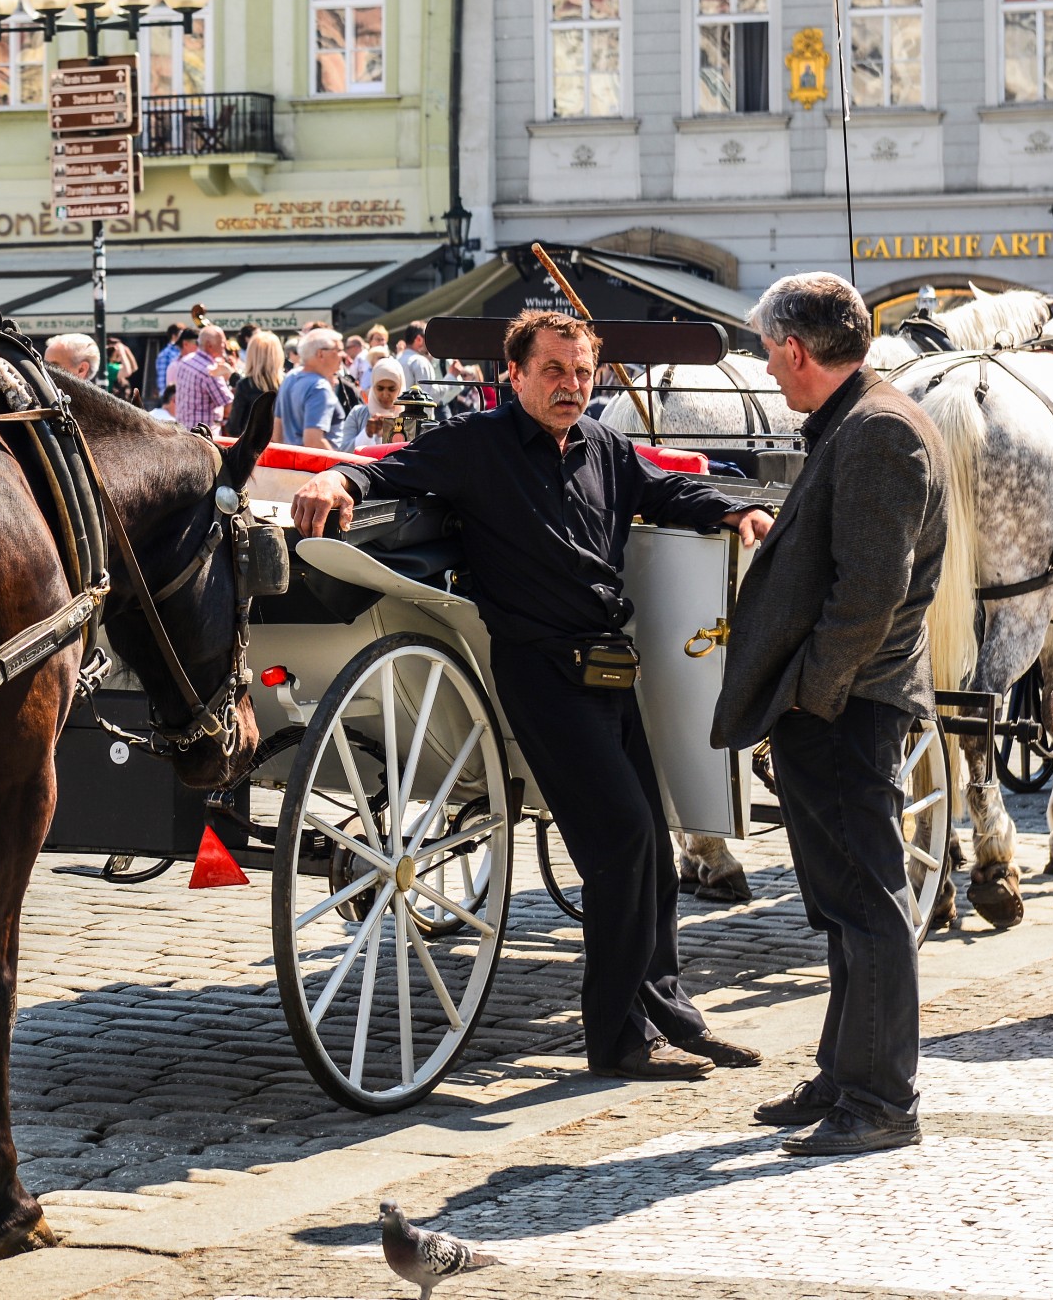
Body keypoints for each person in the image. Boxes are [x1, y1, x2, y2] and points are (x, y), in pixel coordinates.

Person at [291, 310, 773, 1080]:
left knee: (649, 844)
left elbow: (669, 490)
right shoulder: (477, 447)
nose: (571, 386)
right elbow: (387, 470)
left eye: (582, 373)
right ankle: (616, 1040)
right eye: (554, 370)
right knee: (620, 843)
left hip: (612, 670)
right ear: (514, 374)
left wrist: (735, 509)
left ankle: (670, 1014)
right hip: (538, 671)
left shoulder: (606, 448)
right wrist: (334, 476)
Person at [712, 272, 947, 1157]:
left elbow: (872, 594)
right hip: (843, 697)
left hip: (850, 702)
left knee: (867, 902)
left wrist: (812, 690)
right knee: (843, 900)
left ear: (795, 349)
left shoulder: (878, 428)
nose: (768, 368)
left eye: (770, 351)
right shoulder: (862, 418)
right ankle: (848, 1072)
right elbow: (853, 563)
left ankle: (883, 1097)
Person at [277, 327, 347, 449]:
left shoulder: (291, 377)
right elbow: (314, 442)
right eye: (338, 350)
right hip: (318, 466)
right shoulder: (319, 387)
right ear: (321, 354)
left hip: (291, 464)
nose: (343, 355)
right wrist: (341, 465)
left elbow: (277, 429)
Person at [170, 323, 233, 433]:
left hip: (182, 433)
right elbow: (230, 409)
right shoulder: (210, 372)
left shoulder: (185, 361)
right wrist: (232, 377)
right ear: (209, 345)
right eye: (222, 342)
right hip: (204, 438)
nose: (225, 346)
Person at [337, 357, 409, 449]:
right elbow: (343, 451)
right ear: (373, 386)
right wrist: (367, 433)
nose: (385, 394)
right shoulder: (358, 414)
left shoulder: (408, 418)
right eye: (380, 388)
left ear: (400, 388)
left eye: (391, 389)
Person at [226, 330, 284, 434]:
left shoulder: (245, 385)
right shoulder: (287, 383)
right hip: (284, 445)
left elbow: (233, 427)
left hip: (252, 447)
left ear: (251, 355)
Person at [398, 320, 439, 393]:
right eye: (429, 338)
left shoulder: (397, 359)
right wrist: (452, 376)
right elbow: (430, 395)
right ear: (419, 339)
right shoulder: (420, 362)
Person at [152, 323, 187, 397]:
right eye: (182, 335)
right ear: (174, 336)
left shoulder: (182, 351)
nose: (185, 338)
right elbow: (162, 380)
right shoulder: (165, 354)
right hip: (171, 399)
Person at [105, 338, 139, 403]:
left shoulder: (114, 365)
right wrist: (122, 352)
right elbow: (127, 372)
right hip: (111, 402)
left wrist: (126, 350)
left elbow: (134, 368)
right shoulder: (109, 367)